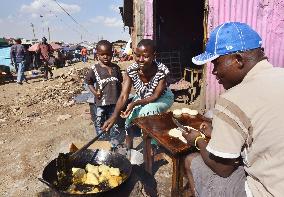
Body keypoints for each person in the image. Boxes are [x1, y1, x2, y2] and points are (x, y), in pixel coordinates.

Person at [183, 22, 284, 197]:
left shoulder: (232, 98)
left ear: (238, 60)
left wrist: (198, 140)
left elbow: (223, 168)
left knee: (191, 160)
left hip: (267, 192)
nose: (214, 72)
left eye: (217, 63)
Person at [102, 39, 174, 150]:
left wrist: (135, 103)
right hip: (142, 97)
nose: (140, 60)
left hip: (162, 98)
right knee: (129, 121)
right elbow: (123, 96)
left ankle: (153, 146)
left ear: (154, 56)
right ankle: (129, 151)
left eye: (145, 56)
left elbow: (155, 96)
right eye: (137, 55)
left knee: (147, 112)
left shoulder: (162, 70)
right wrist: (114, 116)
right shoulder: (132, 70)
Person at [85, 40, 124, 149]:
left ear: (112, 54)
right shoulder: (95, 69)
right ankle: (102, 146)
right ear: (97, 55)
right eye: (102, 54)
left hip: (115, 103)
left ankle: (114, 146)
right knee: (100, 125)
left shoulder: (116, 68)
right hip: (101, 104)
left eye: (108, 54)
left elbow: (120, 82)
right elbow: (89, 82)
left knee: (114, 125)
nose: (105, 57)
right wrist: (95, 92)